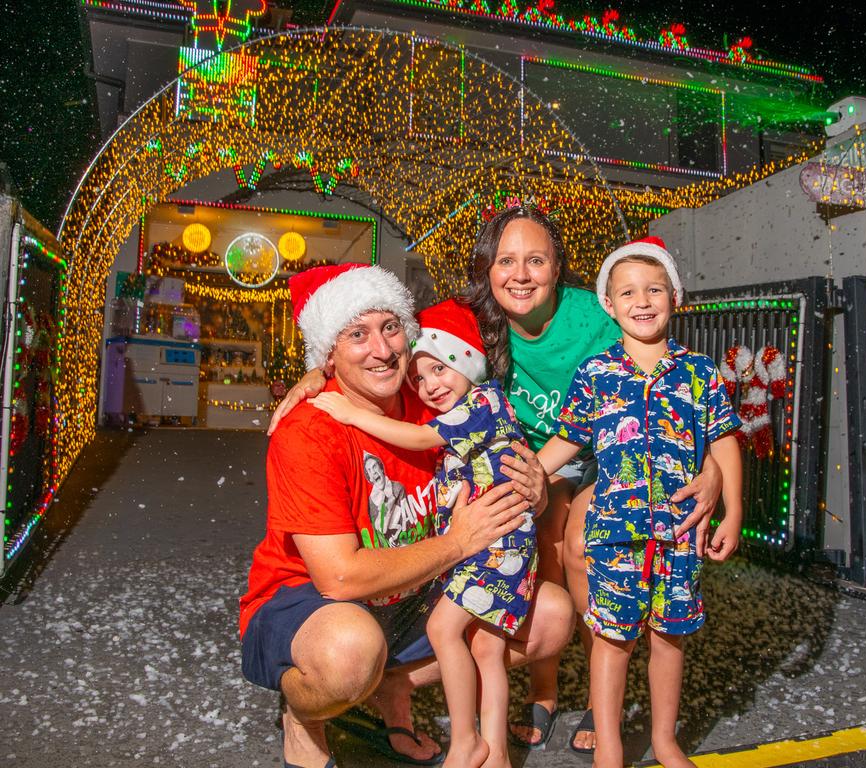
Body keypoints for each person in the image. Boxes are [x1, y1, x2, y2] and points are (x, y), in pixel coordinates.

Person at [268, 206, 724, 754]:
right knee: (542, 539)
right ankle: (530, 691)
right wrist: (315, 373)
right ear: (487, 270)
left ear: (559, 268)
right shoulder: (473, 319)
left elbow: (671, 377)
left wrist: (713, 465)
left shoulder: (600, 314)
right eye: (506, 260)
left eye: (536, 260)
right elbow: (383, 340)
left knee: (574, 545)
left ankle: (589, 702)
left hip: (603, 455)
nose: (521, 274)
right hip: (528, 458)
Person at [241, 263, 573, 768]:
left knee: (551, 616)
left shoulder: (429, 402)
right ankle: (306, 713)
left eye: (390, 328)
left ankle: (391, 683)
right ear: (329, 351)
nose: (382, 349)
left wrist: (535, 491)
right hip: (310, 599)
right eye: (357, 334)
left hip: (414, 590)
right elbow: (339, 576)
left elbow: (499, 455)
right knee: (347, 655)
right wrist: (459, 543)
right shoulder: (311, 430)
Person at [537, 236, 743, 768]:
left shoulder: (700, 373)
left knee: (669, 639)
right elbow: (567, 440)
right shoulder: (596, 374)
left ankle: (666, 741)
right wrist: (527, 473)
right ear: (609, 305)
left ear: (675, 297)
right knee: (612, 641)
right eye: (627, 292)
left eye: (655, 289)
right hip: (613, 535)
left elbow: (724, 442)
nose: (642, 301)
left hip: (680, 534)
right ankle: (609, 747)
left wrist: (734, 510)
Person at [310, 298, 536, 768]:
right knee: (487, 648)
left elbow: (418, 438)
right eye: (421, 377)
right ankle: (494, 753)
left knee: (442, 627)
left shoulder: (480, 404)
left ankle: (466, 742)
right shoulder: (476, 409)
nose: (430, 386)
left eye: (441, 371)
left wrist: (351, 415)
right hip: (496, 543)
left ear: (468, 364)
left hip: (497, 544)